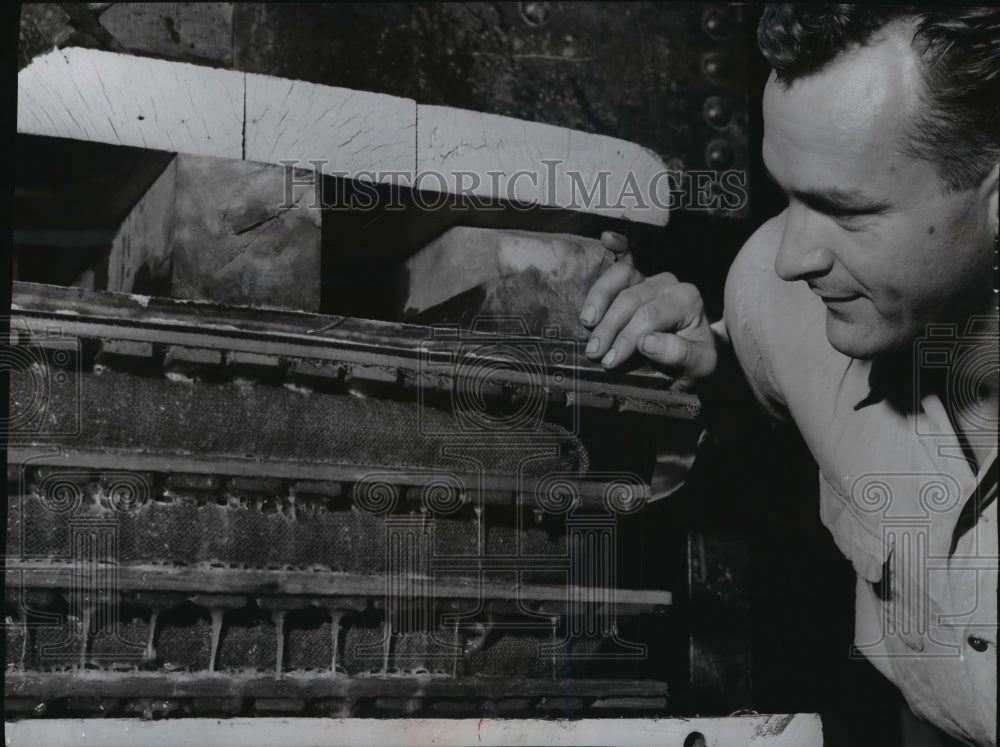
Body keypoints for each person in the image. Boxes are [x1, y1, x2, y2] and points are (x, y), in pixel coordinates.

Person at [581, 6, 998, 746]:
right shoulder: (776, 304)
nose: (790, 256)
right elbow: (766, 396)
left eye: (842, 208)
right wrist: (703, 371)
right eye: (789, 194)